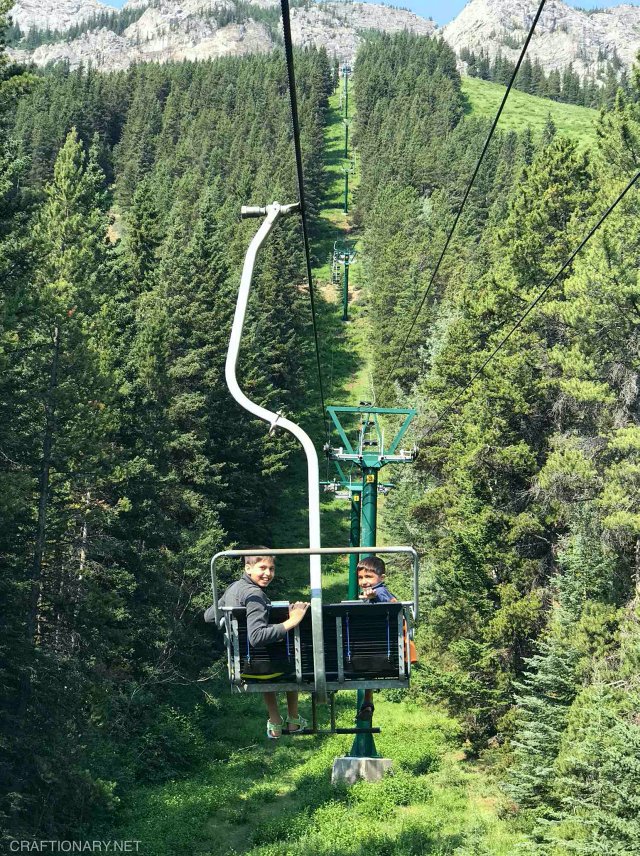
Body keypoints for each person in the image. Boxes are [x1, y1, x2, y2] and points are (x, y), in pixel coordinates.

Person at [206, 549, 309, 739]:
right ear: (248, 568)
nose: (268, 573)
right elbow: (256, 637)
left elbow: (209, 616)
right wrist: (291, 622)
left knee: (268, 655)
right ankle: (293, 718)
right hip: (268, 665)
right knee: (294, 651)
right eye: (262, 568)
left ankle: (275, 720)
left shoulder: (234, 588)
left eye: (271, 568)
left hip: (242, 665)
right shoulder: (255, 596)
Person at [355, 555, 398, 721]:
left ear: (382, 578)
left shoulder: (379, 592)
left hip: (378, 646)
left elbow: (392, 605)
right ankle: (368, 701)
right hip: (376, 647)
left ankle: (367, 701)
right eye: (360, 577)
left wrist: (374, 597)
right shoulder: (373, 593)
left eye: (369, 577)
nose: (364, 581)